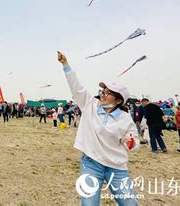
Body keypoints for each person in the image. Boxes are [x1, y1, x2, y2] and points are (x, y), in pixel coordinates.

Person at [58, 51, 139, 205]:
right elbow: (77, 88)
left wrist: (131, 143)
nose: (102, 95)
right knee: (89, 201)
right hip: (91, 162)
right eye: (102, 92)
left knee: (129, 202)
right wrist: (66, 65)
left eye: (107, 93)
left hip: (116, 166)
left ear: (118, 100)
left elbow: (134, 145)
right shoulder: (90, 105)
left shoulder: (125, 119)